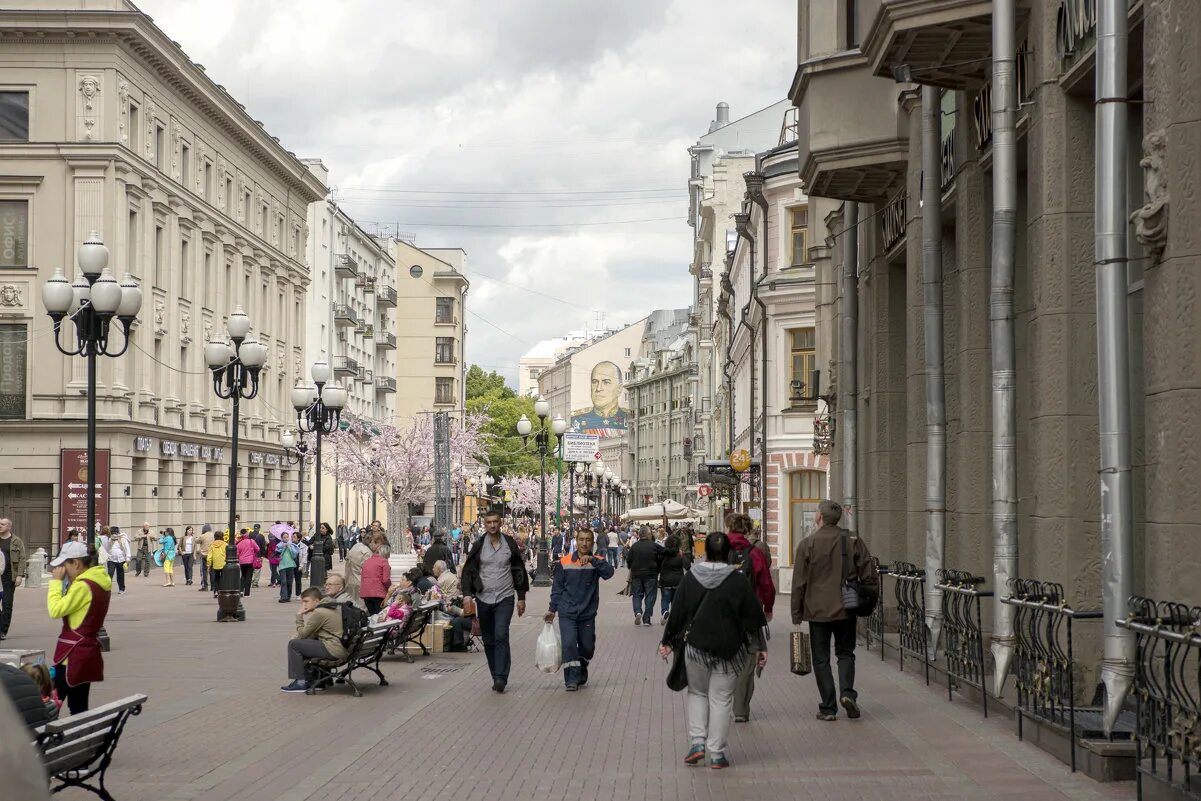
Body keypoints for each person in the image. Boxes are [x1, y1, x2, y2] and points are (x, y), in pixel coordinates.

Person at [660, 532, 767, 770]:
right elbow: (752, 616)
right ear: (728, 553)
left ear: (705, 551)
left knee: (698, 694)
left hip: (696, 647)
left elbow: (677, 612)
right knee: (721, 699)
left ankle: (698, 743)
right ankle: (717, 754)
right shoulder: (737, 580)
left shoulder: (690, 578)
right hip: (730, 649)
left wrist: (666, 640)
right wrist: (760, 646)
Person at [791, 499, 878, 721]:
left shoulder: (807, 544)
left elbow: (799, 582)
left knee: (821, 659)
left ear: (819, 517)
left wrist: (796, 614)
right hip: (846, 607)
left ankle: (828, 708)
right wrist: (866, 597)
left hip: (817, 610)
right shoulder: (852, 540)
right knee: (845, 653)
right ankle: (847, 694)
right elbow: (869, 574)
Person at [460, 509, 529, 693]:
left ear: (500, 523)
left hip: (505, 597)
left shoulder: (509, 543)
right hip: (484, 598)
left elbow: (518, 569)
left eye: (495, 521)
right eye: (488, 522)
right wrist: (467, 594)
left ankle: (501, 677)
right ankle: (495, 674)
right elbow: (469, 570)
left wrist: (521, 597)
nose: (492, 525)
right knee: (489, 639)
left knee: (501, 635)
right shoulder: (479, 545)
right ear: (484, 523)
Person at [47, 540, 112, 715]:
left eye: (64, 565)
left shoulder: (82, 586)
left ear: (76, 563)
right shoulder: (99, 581)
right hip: (87, 654)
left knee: (49, 706)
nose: (63, 571)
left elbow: (55, 610)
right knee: (79, 706)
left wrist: (55, 583)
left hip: (72, 656)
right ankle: (83, 739)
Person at [544, 528, 614, 691]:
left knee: (587, 648)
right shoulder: (565, 562)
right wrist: (552, 609)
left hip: (587, 613)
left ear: (592, 542)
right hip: (567, 612)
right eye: (581, 539)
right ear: (576, 541)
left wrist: (593, 561)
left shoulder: (597, 561)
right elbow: (557, 588)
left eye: (588, 540)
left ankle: (583, 664)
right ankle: (571, 679)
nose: (584, 543)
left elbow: (609, 573)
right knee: (568, 644)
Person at [725, 513, 776, 723]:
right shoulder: (754, 553)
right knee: (748, 660)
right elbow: (766, 585)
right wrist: (768, 608)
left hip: (723, 612)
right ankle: (741, 709)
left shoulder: (718, 550)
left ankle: (720, 702)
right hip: (748, 612)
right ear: (746, 530)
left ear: (728, 527)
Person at [280, 587, 347, 693]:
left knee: (294, 645)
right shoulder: (331, 607)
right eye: (302, 602)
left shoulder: (319, 612)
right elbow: (312, 635)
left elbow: (303, 635)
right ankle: (320, 680)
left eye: (306, 601)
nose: (304, 605)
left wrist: (299, 616)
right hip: (339, 648)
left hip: (332, 649)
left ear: (316, 601)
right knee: (303, 643)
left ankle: (300, 682)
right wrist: (300, 637)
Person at [626, 526, 661, 626]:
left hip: (636, 574)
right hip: (651, 574)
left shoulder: (635, 546)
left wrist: (631, 567)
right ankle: (646, 619)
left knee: (637, 594)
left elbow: (629, 559)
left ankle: (638, 612)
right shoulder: (654, 546)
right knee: (650, 596)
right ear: (648, 534)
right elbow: (663, 553)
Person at [0, 518, 26, 641]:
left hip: (9, 577)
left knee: (6, 604)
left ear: (9, 526)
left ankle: (2, 631)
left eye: (2, 524)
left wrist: (20, 575)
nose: (0, 526)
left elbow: (22, 558)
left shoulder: (16, 541)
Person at [360, 535, 392, 615]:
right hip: (378, 593)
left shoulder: (367, 561)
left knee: (372, 614)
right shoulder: (384, 562)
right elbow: (386, 580)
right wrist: (390, 588)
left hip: (366, 593)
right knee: (380, 615)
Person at [658, 534, 686, 623]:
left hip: (665, 581)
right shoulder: (681, 554)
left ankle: (665, 612)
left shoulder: (663, 554)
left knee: (665, 599)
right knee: (675, 601)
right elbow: (687, 565)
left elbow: (658, 566)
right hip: (678, 581)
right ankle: (674, 618)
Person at [344, 532, 371, 607]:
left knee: (351, 600)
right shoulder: (367, 552)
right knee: (361, 604)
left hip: (349, 578)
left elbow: (347, 558)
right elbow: (368, 569)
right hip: (360, 580)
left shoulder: (356, 545)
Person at [102, 526, 130, 595]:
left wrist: (128, 558)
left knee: (120, 575)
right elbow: (106, 548)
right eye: (112, 533)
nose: (114, 535)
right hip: (111, 559)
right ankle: (107, 589)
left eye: (115, 533)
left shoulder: (123, 538)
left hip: (121, 559)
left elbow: (127, 548)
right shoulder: (108, 539)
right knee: (110, 574)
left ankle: (121, 589)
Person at [276, 531, 299, 603]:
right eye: (284, 537)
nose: (286, 539)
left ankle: (288, 597)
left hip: (290, 565)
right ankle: (283, 597)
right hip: (282, 566)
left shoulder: (292, 545)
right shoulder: (279, 545)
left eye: (287, 537)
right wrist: (283, 548)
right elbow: (278, 554)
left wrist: (289, 548)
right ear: (282, 538)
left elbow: (294, 555)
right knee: (283, 581)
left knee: (289, 582)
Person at [236, 529, 259, 596]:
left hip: (242, 562)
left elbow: (237, 554)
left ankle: (241, 591)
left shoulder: (239, 543)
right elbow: (257, 549)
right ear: (247, 534)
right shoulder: (252, 541)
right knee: (249, 577)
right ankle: (247, 593)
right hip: (250, 561)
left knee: (243, 576)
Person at [207, 531, 227, 597]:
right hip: (223, 563)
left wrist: (209, 565)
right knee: (223, 578)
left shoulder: (212, 545)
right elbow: (227, 554)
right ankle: (222, 591)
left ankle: (216, 591)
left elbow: (209, 556)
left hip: (215, 564)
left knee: (216, 578)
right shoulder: (225, 544)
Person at [195, 524, 214, 592]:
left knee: (204, 571)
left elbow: (196, 541)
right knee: (212, 571)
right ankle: (213, 586)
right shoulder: (212, 535)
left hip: (204, 555)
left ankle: (205, 586)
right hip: (211, 555)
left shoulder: (202, 536)